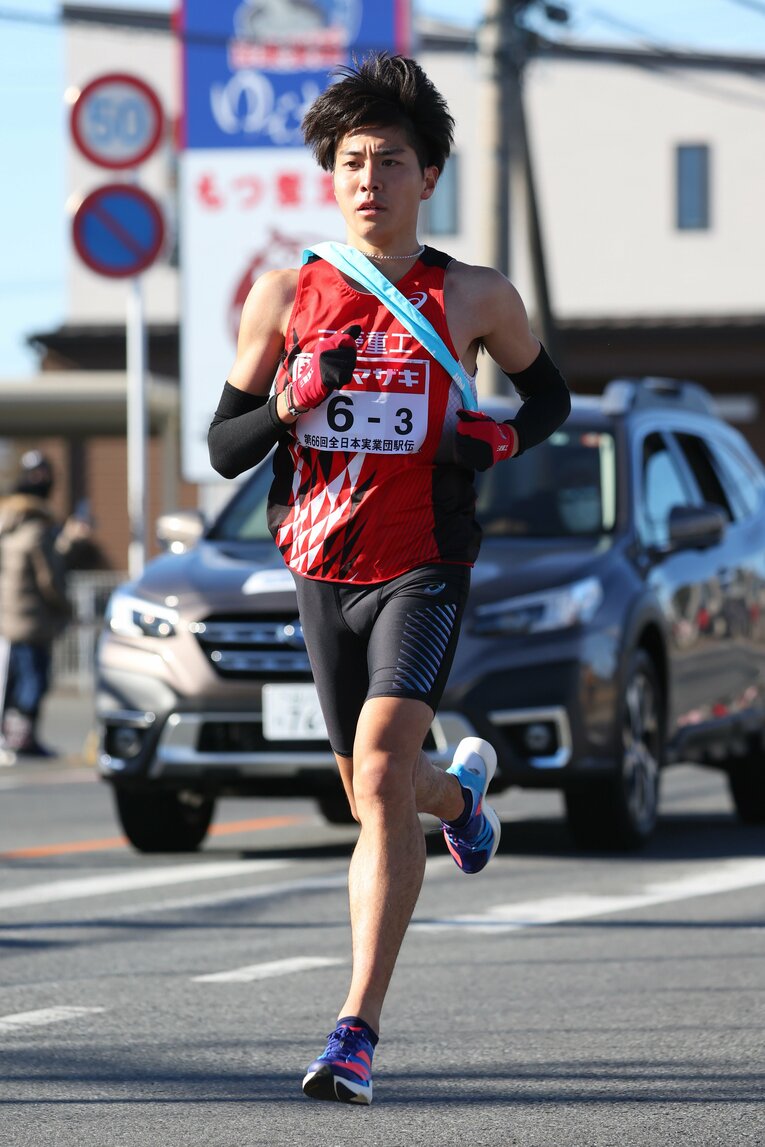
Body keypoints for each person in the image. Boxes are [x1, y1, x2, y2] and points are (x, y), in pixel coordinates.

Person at [208, 53, 570, 1105]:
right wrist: (285, 402)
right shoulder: (285, 294)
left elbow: (546, 400)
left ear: (430, 175)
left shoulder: (472, 294)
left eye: (393, 160)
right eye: (353, 160)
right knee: (378, 789)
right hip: (321, 564)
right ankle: (461, 799)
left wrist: (492, 447)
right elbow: (227, 448)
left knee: (373, 773)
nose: (370, 177)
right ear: (330, 176)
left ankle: (355, 1029)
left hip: (425, 560)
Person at [0, 451, 73, 759]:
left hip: (7, 618)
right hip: (30, 619)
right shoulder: (37, 529)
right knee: (34, 682)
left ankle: (14, 737)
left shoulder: (7, 524)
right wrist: (65, 608)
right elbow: (50, 580)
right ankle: (20, 739)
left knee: (14, 682)